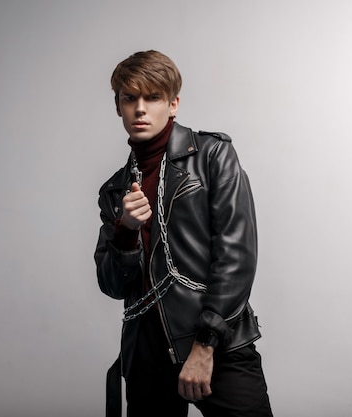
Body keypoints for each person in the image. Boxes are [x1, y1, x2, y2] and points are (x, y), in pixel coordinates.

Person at [94, 50, 273, 417]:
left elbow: (236, 257)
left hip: (216, 340)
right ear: (118, 107)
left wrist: (204, 345)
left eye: (153, 97)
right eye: (130, 98)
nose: (140, 109)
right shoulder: (114, 191)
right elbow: (113, 286)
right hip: (146, 351)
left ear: (173, 104)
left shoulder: (212, 155)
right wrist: (125, 230)